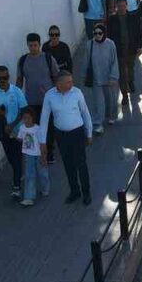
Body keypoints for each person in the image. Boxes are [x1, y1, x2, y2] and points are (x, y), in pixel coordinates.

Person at [39, 71, 93, 205]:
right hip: (61, 135)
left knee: (81, 163)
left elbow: (85, 113)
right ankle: (75, 191)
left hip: (77, 133)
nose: (71, 84)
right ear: (59, 84)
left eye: (71, 81)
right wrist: (42, 141)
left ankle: (86, 193)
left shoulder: (77, 93)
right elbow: (44, 118)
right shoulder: (49, 95)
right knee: (68, 164)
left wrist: (89, 133)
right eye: (68, 82)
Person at [0, 65, 28, 198]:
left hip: (17, 131)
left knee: (16, 158)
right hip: (3, 132)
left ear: (8, 77)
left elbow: (23, 110)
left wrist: (13, 124)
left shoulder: (16, 91)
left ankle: (16, 186)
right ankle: (19, 174)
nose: (2, 81)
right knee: (10, 158)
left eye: (4, 78)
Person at [84, 24, 120, 135]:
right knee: (98, 102)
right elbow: (86, 61)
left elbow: (114, 61)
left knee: (111, 99)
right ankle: (98, 123)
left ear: (104, 33)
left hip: (109, 78)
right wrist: (84, 76)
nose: (97, 35)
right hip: (96, 78)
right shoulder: (89, 44)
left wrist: (113, 76)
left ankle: (111, 116)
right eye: (95, 33)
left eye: (100, 33)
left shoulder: (110, 44)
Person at [17, 32, 62, 115]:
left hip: (48, 100)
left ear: (39, 44)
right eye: (30, 45)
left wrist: (59, 96)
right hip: (31, 102)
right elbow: (19, 81)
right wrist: (17, 98)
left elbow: (57, 77)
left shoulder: (48, 58)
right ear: (27, 45)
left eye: (35, 45)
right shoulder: (22, 60)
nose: (33, 48)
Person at [108, 0, 141, 101]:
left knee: (130, 69)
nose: (121, 8)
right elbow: (109, 36)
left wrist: (139, 47)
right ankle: (124, 94)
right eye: (119, 6)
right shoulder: (112, 19)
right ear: (116, 7)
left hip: (131, 49)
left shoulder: (133, 17)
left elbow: (138, 33)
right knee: (122, 74)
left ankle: (131, 81)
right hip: (119, 50)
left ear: (126, 5)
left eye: (123, 6)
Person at [16, 107, 49, 205]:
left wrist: (44, 157)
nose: (26, 120)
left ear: (33, 118)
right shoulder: (22, 128)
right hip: (28, 155)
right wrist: (15, 136)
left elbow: (43, 144)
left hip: (39, 155)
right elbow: (20, 138)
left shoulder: (38, 129)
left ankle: (45, 188)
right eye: (24, 118)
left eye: (28, 118)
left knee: (42, 173)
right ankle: (29, 197)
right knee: (29, 175)